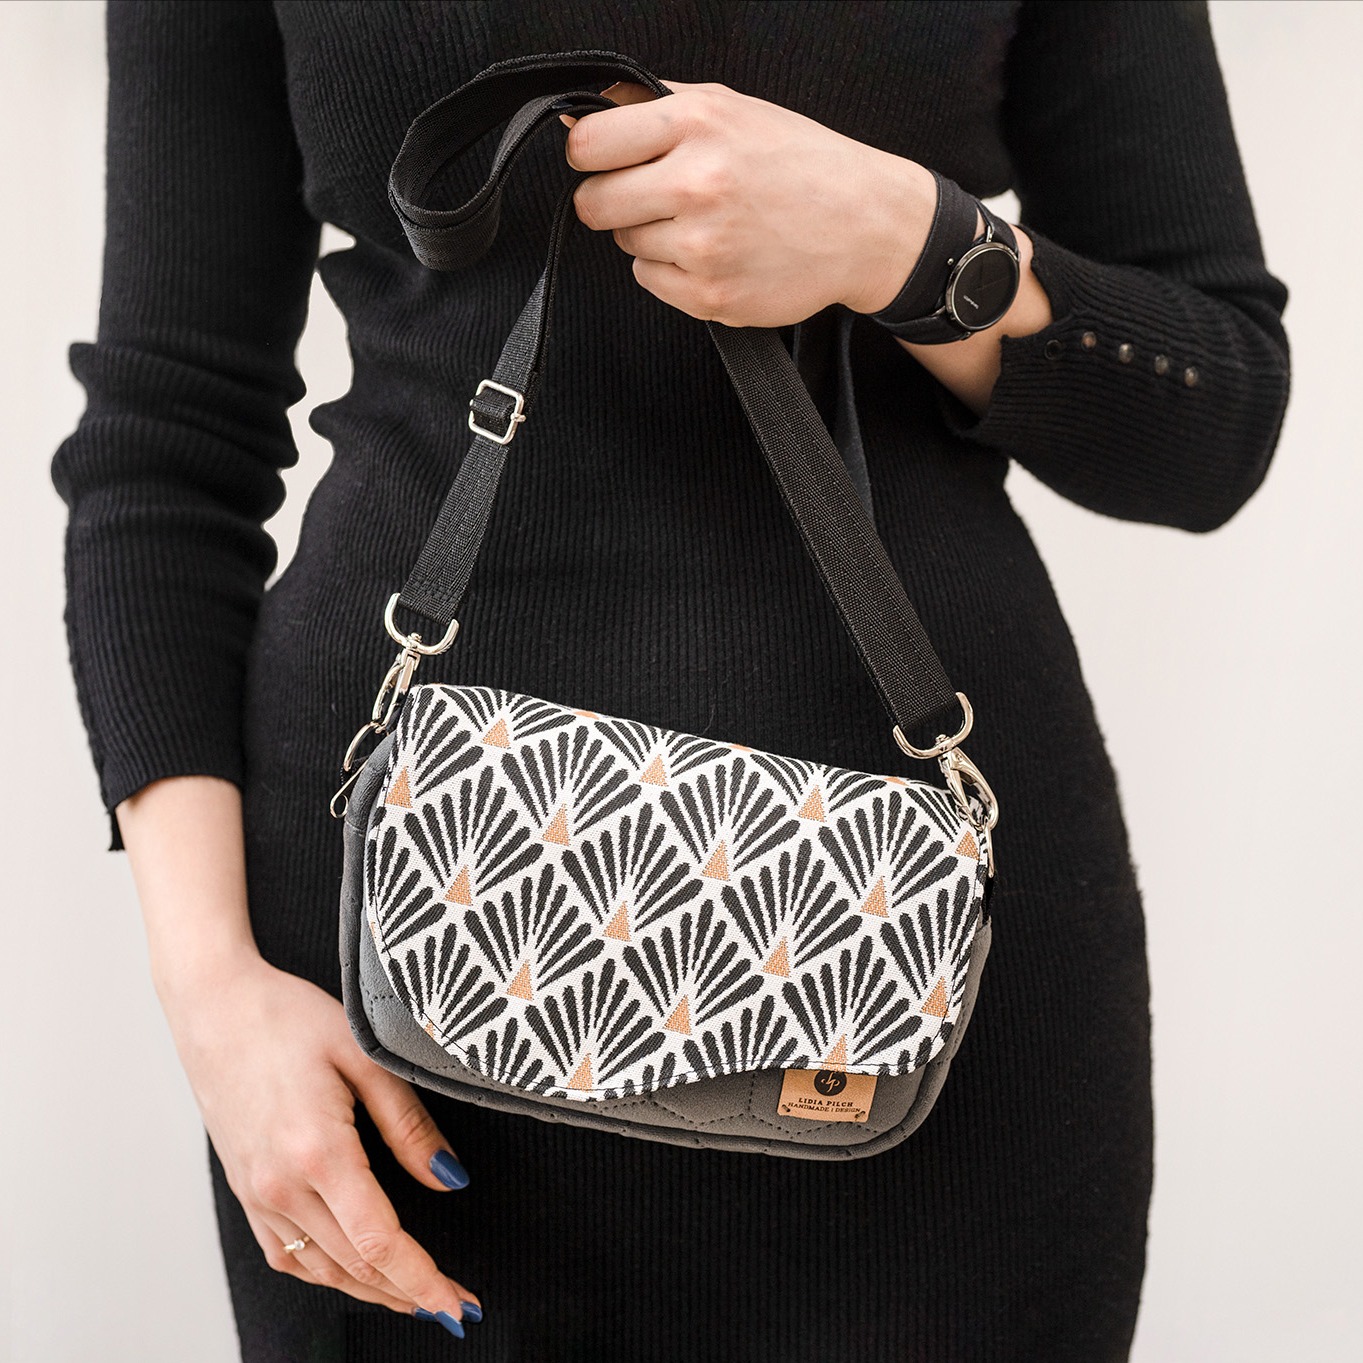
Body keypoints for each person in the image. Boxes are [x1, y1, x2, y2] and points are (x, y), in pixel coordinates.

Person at [50, 3, 1290, 1360]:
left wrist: (904, 241)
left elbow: (1211, 419)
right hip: (387, 961)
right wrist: (212, 992)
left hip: (915, 983)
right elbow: (166, 440)